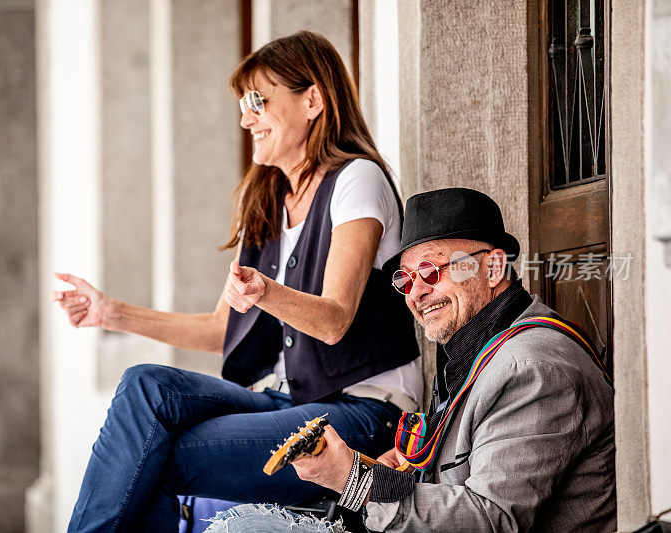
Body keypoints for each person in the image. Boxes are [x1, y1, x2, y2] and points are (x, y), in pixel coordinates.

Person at [52, 31, 422, 531]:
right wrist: (109, 313)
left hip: (365, 414)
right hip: (288, 401)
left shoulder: (356, 180)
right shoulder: (268, 203)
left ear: (312, 100)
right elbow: (220, 328)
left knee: (149, 458)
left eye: (257, 101)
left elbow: (334, 320)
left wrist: (266, 292)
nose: (246, 118)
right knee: (146, 384)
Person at [207, 188, 616, 533]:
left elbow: (490, 520)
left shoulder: (530, 369)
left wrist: (355, 478)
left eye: (431, 271)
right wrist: (395, 475)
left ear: (492, 267)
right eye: (405, 279)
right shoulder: (472, 350)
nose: (416, 292)